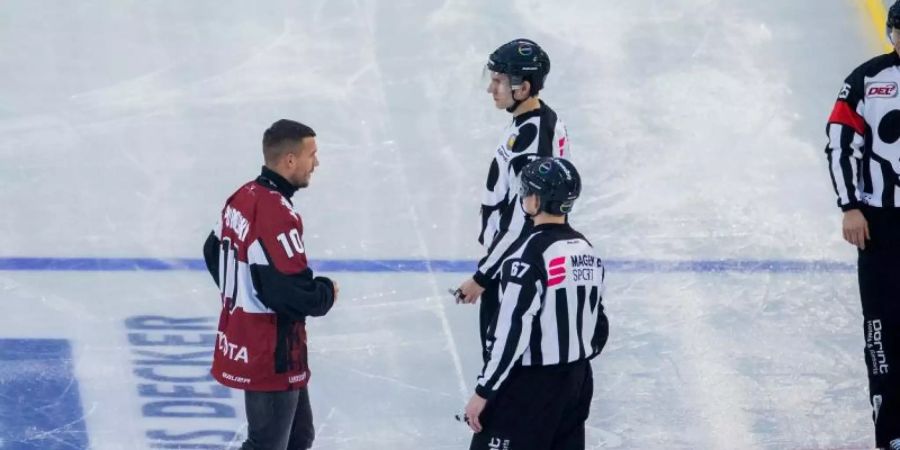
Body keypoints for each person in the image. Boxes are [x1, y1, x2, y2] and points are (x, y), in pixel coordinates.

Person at [202, 119, 338, 450]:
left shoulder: (243, 196)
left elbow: (211, 249)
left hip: (255, 341)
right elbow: (289, 294)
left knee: (298, 438)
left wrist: (240, 295)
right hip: (271, 351)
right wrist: (325, 291)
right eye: (312, 155)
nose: (316, 163)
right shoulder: (275, 213)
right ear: (290, 160)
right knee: (267, 445)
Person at [463, 157, 608, 450]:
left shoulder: (526, 256)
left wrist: (484, 391)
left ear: (536, 200)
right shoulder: (586, 250)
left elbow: (511, 332)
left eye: (526, 190)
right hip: (577, 381)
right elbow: (598, 323)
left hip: (530, 389)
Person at [456, 38, 570, 364]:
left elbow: (523, 222)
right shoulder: (530, 122)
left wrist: (483, 277)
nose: (492, 89)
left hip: (514, 264)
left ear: (524, 86)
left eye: (499, 81)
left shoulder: (533, 140)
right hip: (510, 258)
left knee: (503, 357)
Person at [825, 2, 900, 448]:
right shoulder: (866, 80)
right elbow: (839, 144)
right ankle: (892, 431)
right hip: (882, 222)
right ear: (891, 32)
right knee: (884, 325)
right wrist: (850, 206)